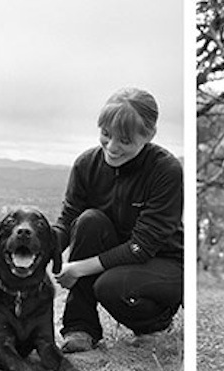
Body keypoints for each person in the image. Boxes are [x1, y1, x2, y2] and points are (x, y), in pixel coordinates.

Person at [53, 88, 183, 352]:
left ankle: (153, 324)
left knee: (111, 286)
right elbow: (68, 220)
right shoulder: (86, 165)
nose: (112, 147)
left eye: (124, 140)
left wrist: (76, 268)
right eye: (106, 135)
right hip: (115, 255)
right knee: (88, 221)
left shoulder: (165, 170)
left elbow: (141, 247)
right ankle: (80, 327)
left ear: (148, 135)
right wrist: (36, 250)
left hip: (162, 263)